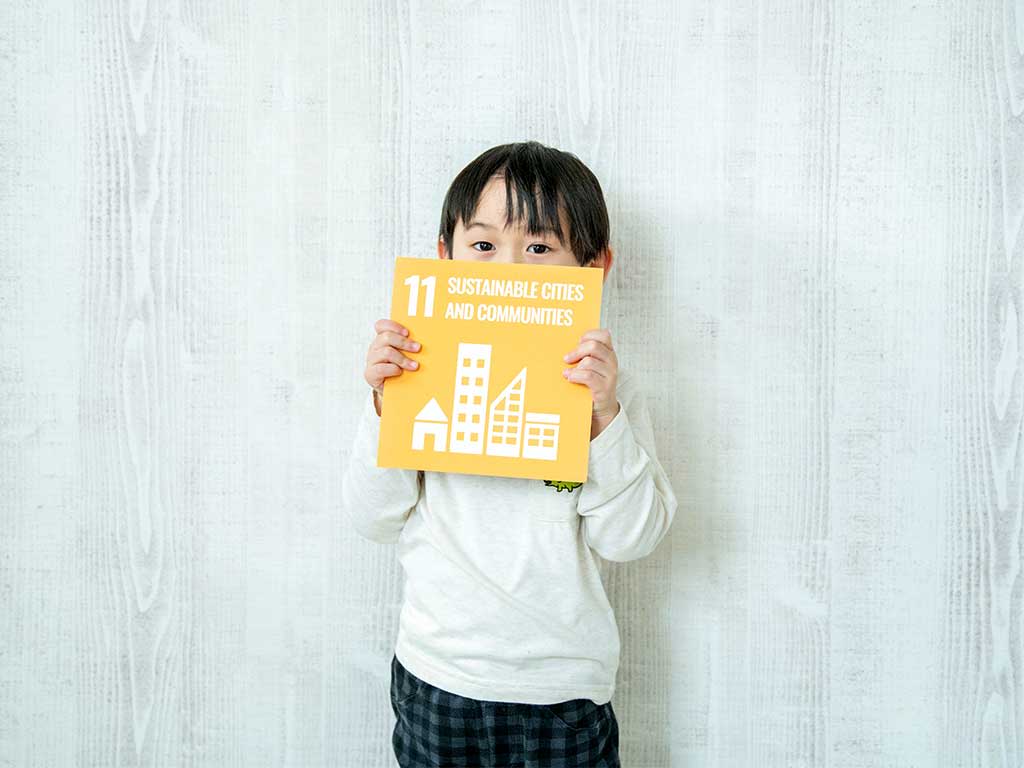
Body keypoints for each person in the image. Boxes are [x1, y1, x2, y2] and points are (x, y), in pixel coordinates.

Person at [342, 140, 677, 767]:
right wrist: (385, 405)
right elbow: (372, 517)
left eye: (541, 248)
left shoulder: (611, 395)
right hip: (440, 672)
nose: (509, 269)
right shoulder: (416, 375)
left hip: (562, 687)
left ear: (594, 269)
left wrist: (604, 419)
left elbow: (630, 539)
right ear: (446, 258)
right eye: (484, 245)